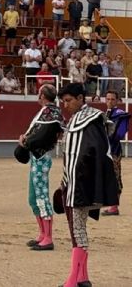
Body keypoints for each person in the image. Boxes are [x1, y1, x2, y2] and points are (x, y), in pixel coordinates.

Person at [56, 83, 119, 287]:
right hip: (75, 183)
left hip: (80, 185)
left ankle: (73, 281)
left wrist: (81, 184)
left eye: (69, 100)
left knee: (78, 231)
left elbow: (92, 155)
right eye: (63, 101)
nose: (65, 105)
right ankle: (82, 278)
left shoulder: (89, 119)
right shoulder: (80, 118)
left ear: (81, 98)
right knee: (78, 229)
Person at [15, 84, 64, 251]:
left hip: (41, 158)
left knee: (41, 197)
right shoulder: (51, 112)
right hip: (38, 158)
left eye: (39, 93)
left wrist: (26, 142)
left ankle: (48, 238)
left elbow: (42, 135)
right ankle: (43, 234)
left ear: (42, 95)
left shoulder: (50, 112)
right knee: (33, 198)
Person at [102, 90, 130, 216]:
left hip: (113, 150)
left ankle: (114, 206)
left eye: (113, 99)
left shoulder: (120, 115)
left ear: (118, 101)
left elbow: (119, 134)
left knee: (115, 176)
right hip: (103, 150)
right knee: (106, 176)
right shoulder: (104, 115)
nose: (110, 102)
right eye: (108, 99)